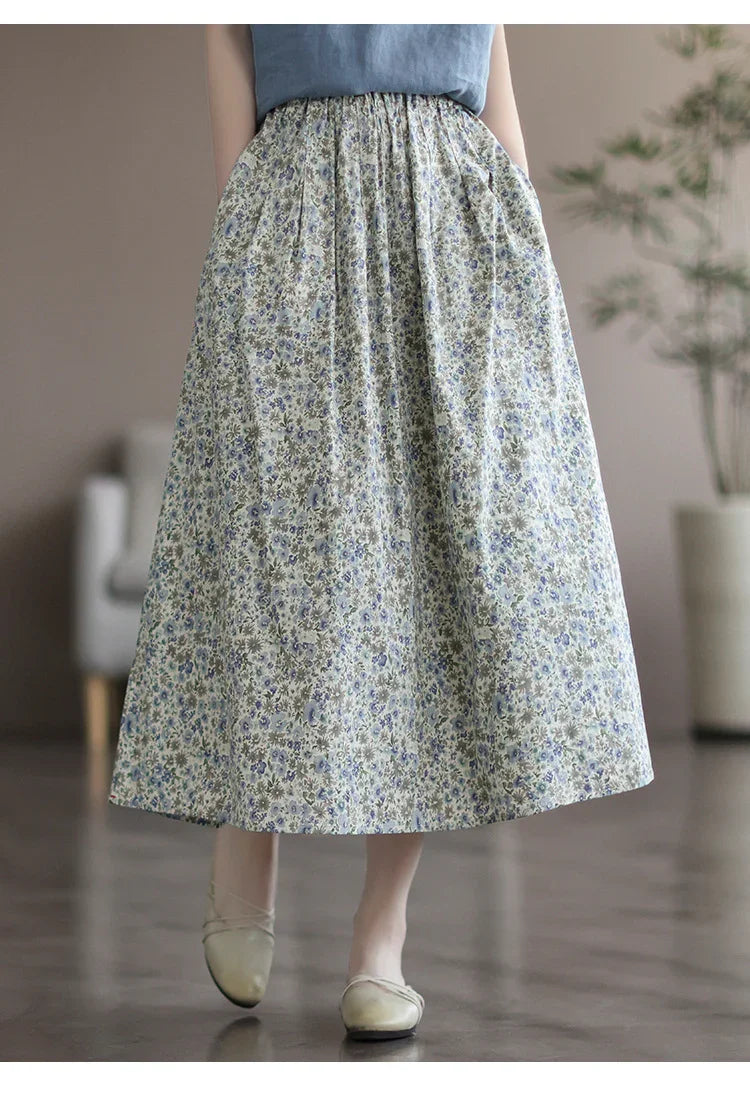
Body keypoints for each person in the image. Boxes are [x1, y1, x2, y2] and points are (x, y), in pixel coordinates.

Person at [109, 24, 655, 1041]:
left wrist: (519, 291)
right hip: (294, 240)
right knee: (273, 563)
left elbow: (500, 110)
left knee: (425, 592)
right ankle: (246, 835)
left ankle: (380, 940)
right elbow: (232, 76)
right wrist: (250, 266)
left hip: (455, 253)